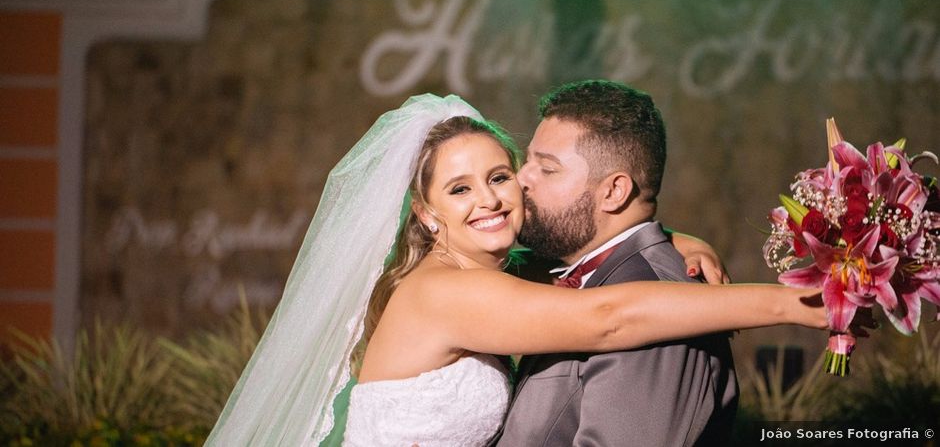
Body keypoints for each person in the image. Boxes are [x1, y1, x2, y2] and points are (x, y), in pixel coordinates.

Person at [205, 94, 830, 447]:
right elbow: (609, 317)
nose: (493, 198)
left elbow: (592, 262)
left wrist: (673, 238)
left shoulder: (506, 275)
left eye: (501, 176)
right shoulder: (443, 295)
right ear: (426, 215)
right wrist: (793, 302)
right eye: (459, 189)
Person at [495, 79, 735, 446]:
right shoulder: (595, 273)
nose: (521, 179)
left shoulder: (658, 310)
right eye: (528, 161)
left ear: (613, 191)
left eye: (547, 168)